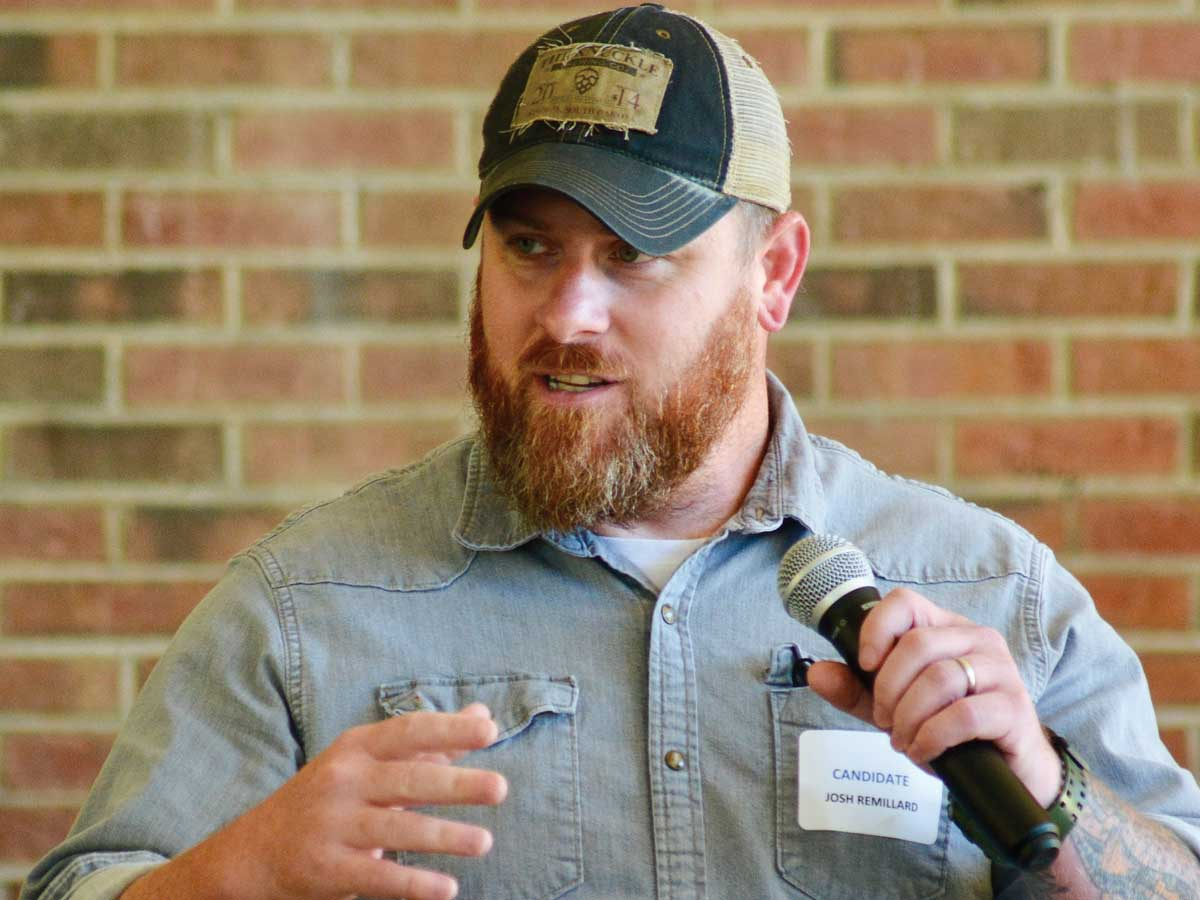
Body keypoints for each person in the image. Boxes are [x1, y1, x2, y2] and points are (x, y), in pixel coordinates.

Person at [20, 4, 1200, 899]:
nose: (568, 313)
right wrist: (229, 876)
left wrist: (1052, 794)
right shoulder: (304, 610)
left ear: (773, 275)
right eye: (530, 246)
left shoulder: (989, 591)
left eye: (635, 255)